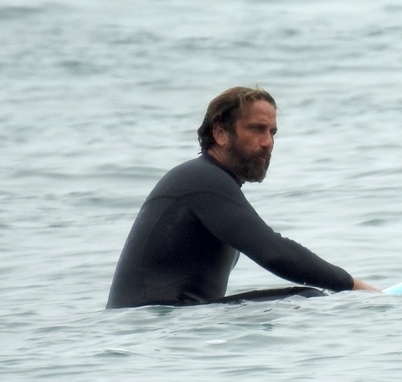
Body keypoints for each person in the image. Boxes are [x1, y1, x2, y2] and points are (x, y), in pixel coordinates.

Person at [107, 87, 378, 309]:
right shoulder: (203, 181)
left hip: (165, 325)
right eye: (257, 129)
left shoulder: (206, 180)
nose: (268, 142)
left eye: (272, 132)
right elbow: (274, 253)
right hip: (156, 326)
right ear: (220, 133)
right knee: (305, 299)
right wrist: (353, 286)